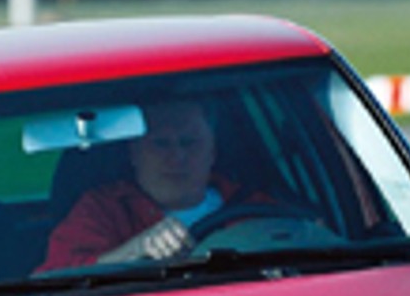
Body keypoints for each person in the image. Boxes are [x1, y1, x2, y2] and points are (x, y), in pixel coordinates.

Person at [40, 100, 264, 271]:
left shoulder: (257, 206)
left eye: (189, 143)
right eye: (161, 144)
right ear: (134, 153)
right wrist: (135, 251)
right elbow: (54, 278)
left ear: (212, 152)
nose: (177, 157)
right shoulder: (103, 209)